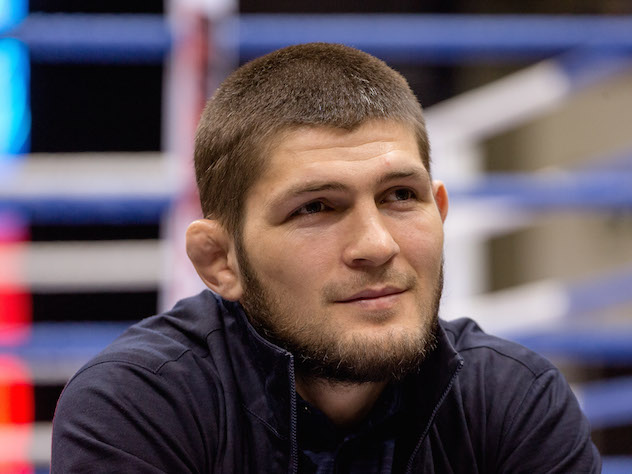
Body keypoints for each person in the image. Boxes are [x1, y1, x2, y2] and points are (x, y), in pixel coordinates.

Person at [51, 43, 600, 473]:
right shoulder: (138, 405)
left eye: (400, 196)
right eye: (315, 207)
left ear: (439, 210)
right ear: (220, 260)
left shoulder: (513, 399)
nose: (377, 245)